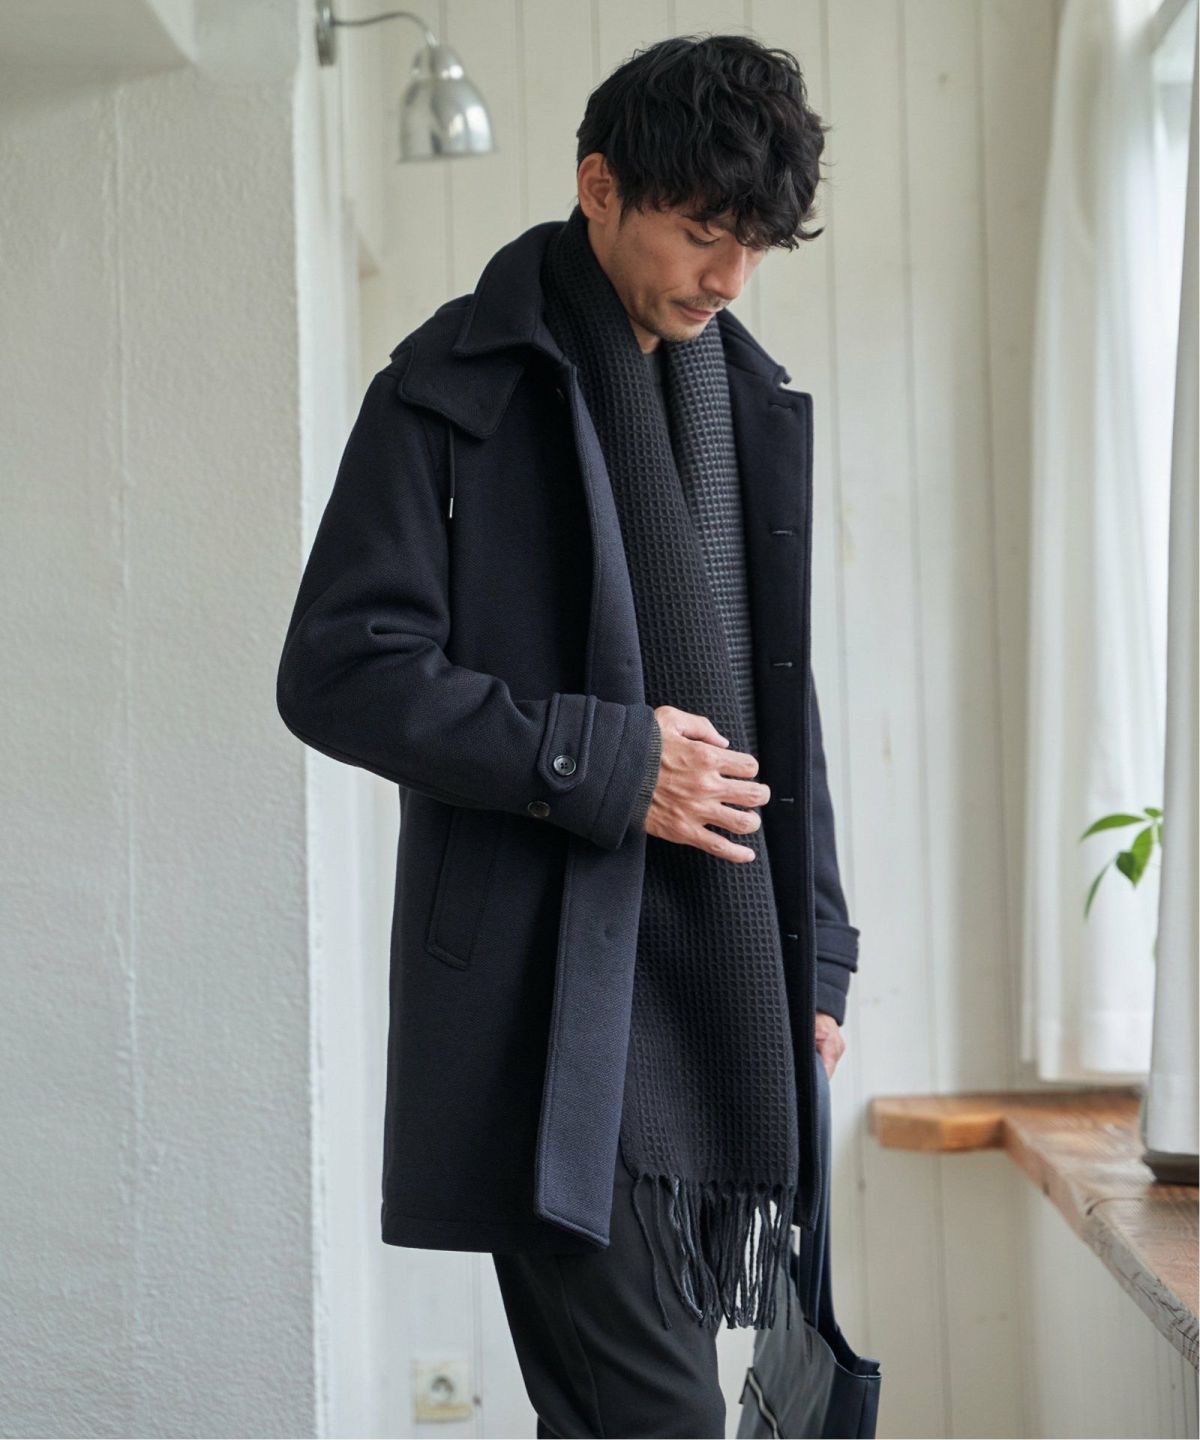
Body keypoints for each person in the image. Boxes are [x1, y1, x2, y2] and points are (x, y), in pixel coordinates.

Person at [276, 32, 860, 1440]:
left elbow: (775, 705)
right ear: (599, 186)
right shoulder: (451, 386)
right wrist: (606, 761)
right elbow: (339, 670)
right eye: (704, 232)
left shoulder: (740, 396)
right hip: (550, 1015)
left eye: (755, 244)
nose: (730, 277)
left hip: (722, 1000)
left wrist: (819, 948)